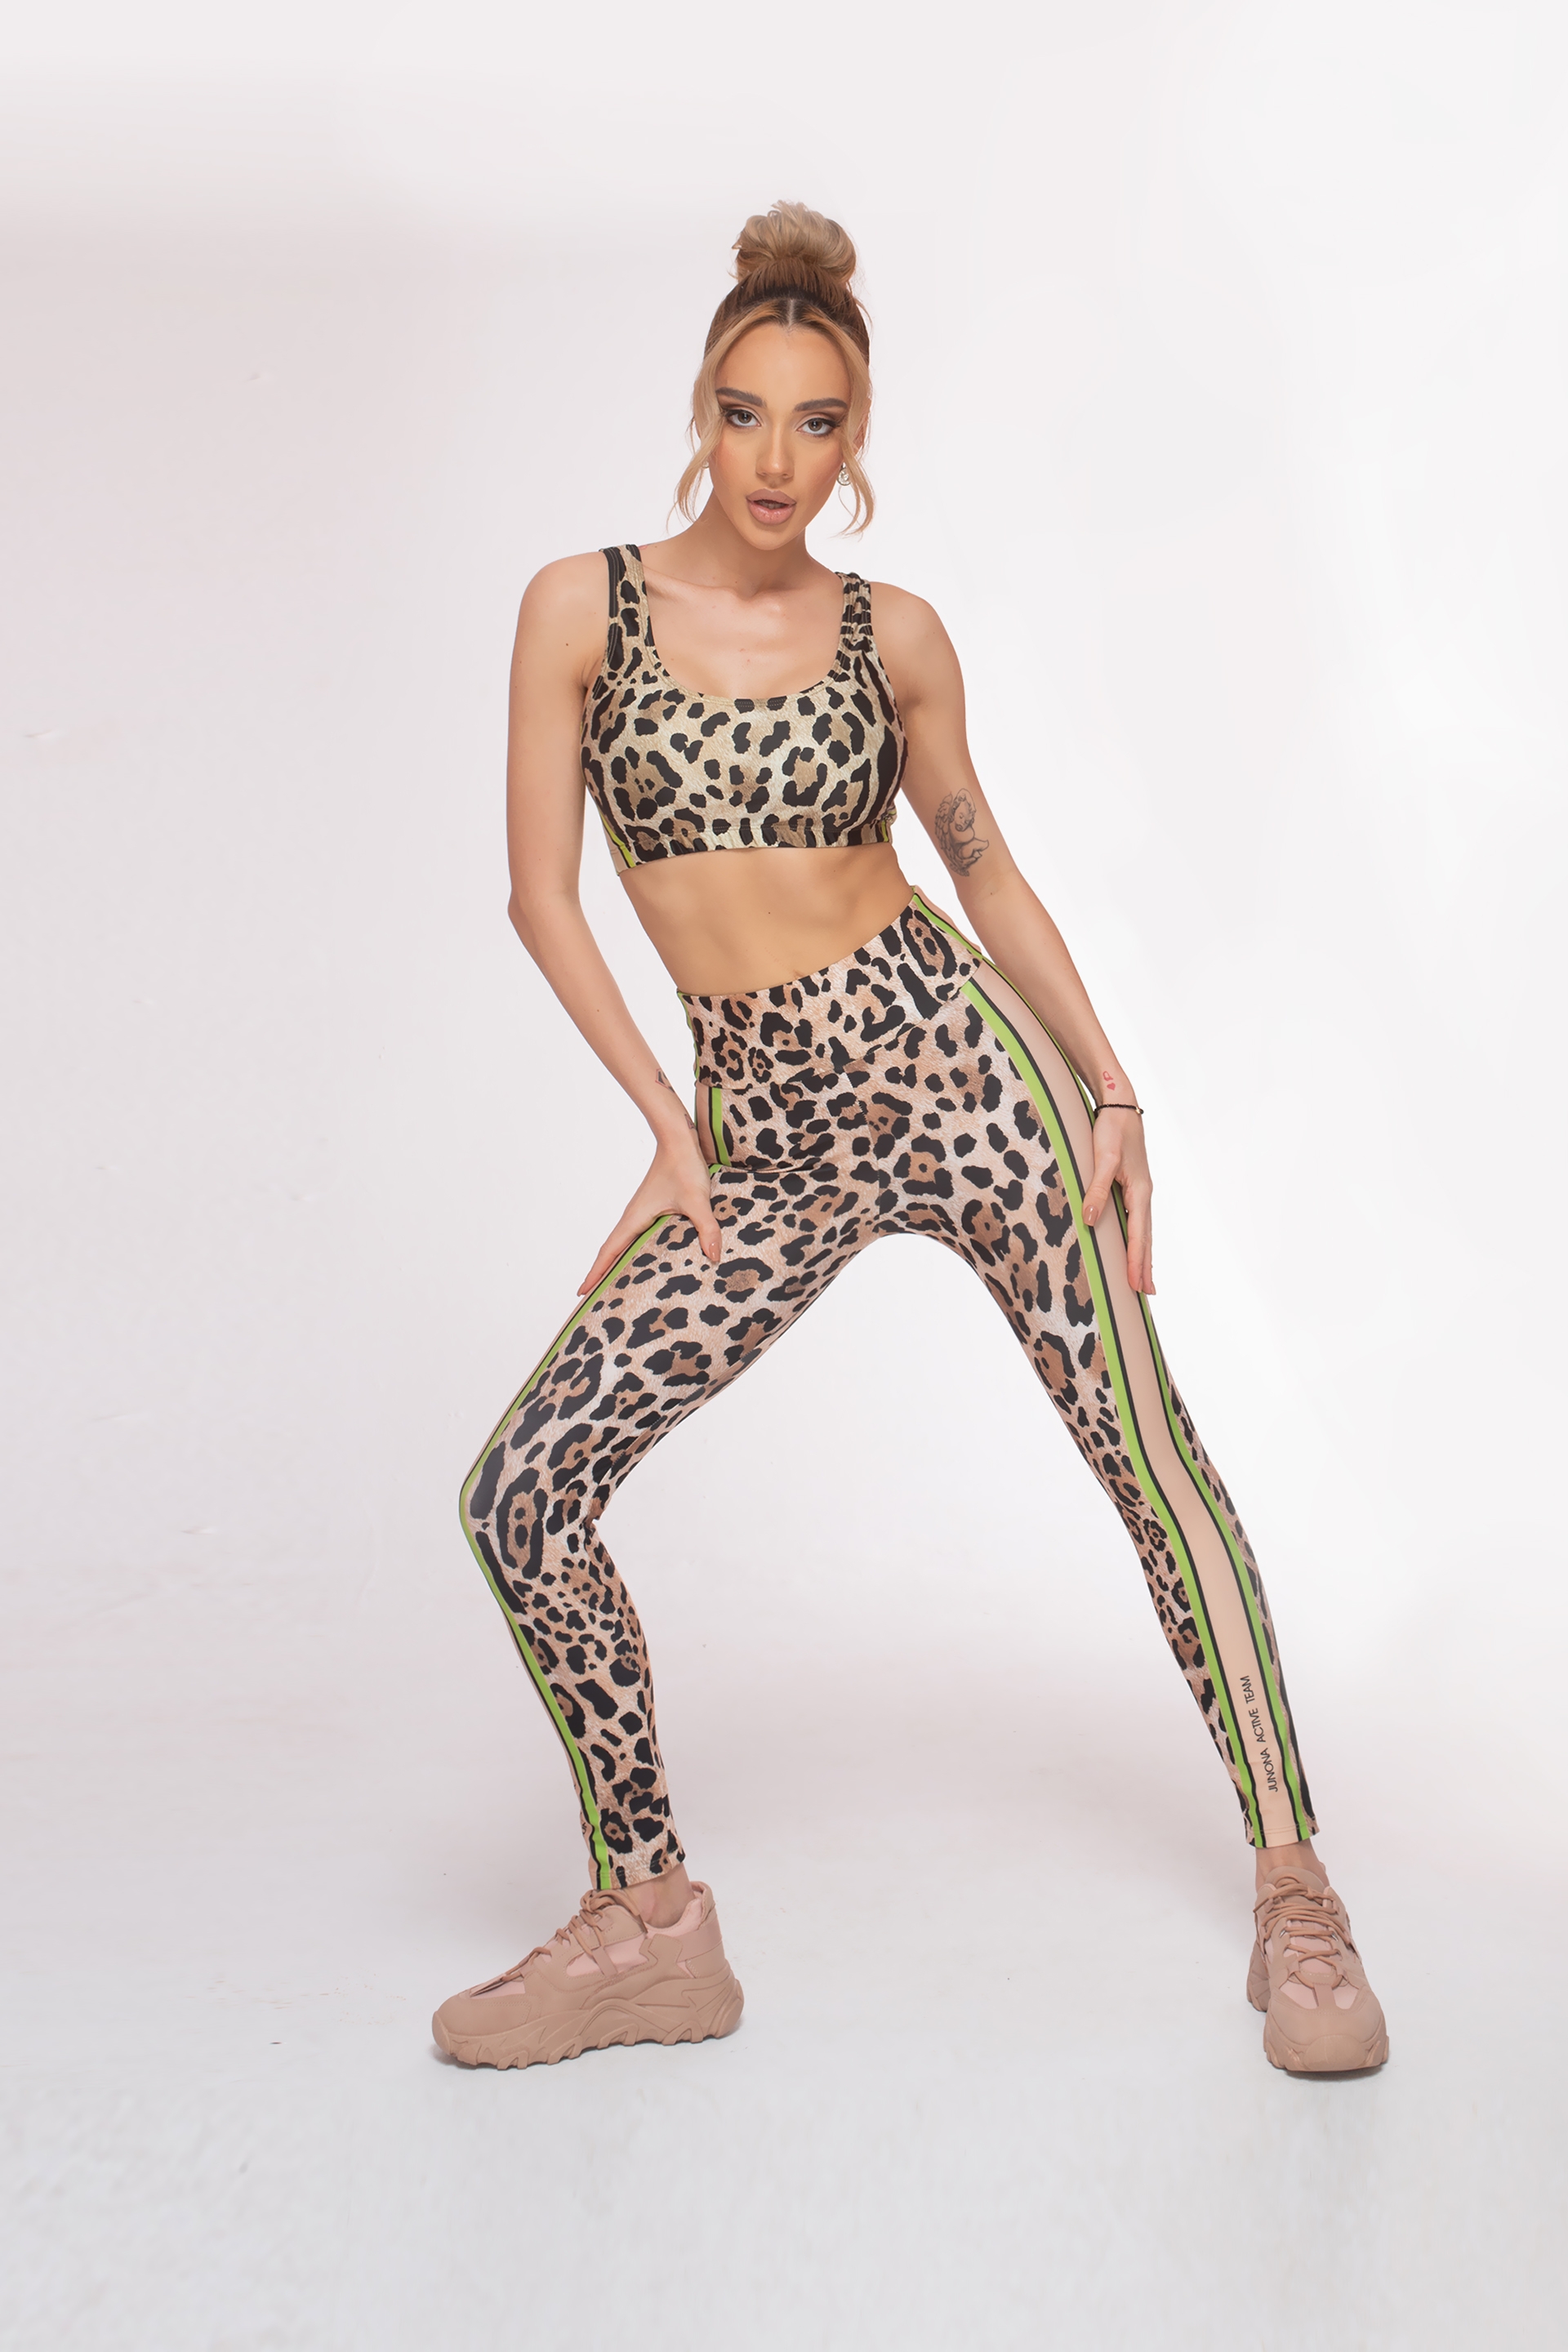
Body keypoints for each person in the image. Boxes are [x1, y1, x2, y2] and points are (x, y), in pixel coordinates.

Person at [431, 203, 1387, 2078]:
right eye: (745, 414)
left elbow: (981, 865)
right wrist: (669, 1126)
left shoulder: (898, 637)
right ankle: (653, 1921)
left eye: (818, 425)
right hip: (759, 1131)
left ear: (857, 442)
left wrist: (1111, 1091)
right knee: (523, 1492)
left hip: (955, 1067)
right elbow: (543, 897)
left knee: (1145, 1453)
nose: (776, 460)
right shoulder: (580, 610)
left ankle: (1298, 1892)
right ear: (698, 412)